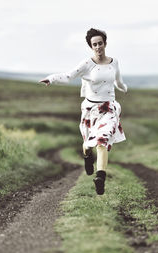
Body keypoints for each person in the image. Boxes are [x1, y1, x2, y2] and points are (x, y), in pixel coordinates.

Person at [40, 28, 127, 195]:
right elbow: (68, 76)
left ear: (105, 43)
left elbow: (118, 80)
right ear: (90, 46)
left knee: (102, 141)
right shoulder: (87, 64)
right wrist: (51, 78)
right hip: (91, 110)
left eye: (100, 43)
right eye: (94, 44)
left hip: (108, 108)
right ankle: (87, 155)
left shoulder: (114, 62)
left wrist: (124, 88)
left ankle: (100, 177)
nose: (98, 47)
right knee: (88, 143)